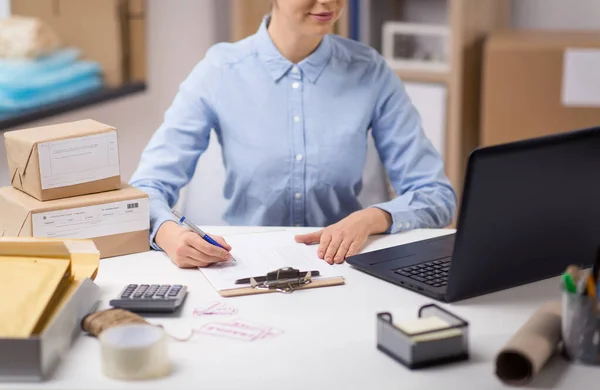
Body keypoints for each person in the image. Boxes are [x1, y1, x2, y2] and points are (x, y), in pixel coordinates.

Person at [129, 0, 457, 269]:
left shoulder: (370, 71)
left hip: (340, 271)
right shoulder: (220, 71)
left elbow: (435, 194)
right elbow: (147, 187)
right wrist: (168, 234)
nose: (329, 2)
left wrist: (372, 218)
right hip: (239, 269)